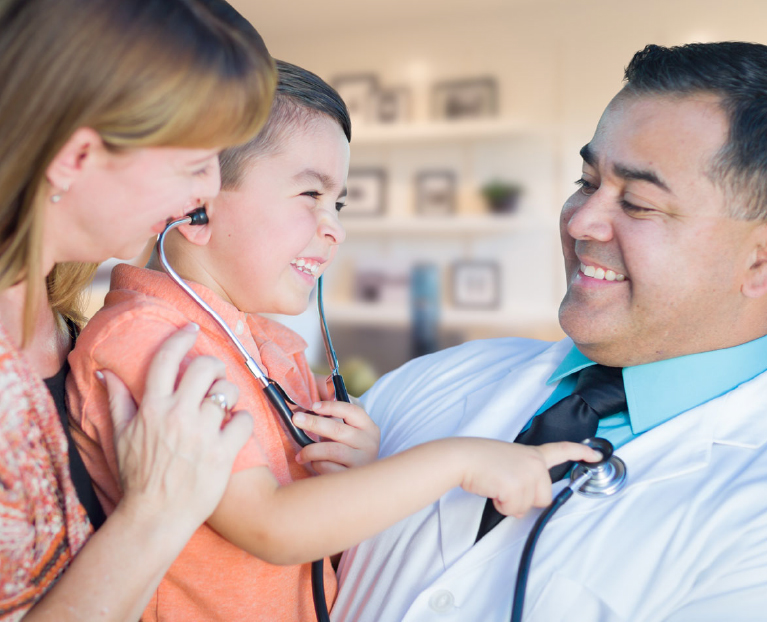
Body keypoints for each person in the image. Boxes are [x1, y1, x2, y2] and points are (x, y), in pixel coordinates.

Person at [66, 60, 599, 622]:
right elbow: (272, 526)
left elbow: (311, 550)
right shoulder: (149, 340)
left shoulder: (271, 348)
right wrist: (460, 462)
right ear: (193, 207)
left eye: (337, 204)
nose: (334, 227)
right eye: (310, 194)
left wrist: (352, 474)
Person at [330, 41, 767, 621]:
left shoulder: (752, 521)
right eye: (587, 181)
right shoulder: (434, 380)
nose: (581, 221)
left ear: (758, 261)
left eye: (637, 203)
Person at [0, 0, 277, 619]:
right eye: (194, 163)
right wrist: (156, 511)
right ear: (73, 158)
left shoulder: (68, 324)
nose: (208, 191)